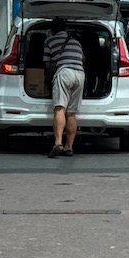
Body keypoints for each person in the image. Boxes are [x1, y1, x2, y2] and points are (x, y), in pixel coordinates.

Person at [43, 16, 85, 157]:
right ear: (65, 29)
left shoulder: (50, 41)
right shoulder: (76, 42)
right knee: (72, 113)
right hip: (80, 74)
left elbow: (48, 64)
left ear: (52, 30)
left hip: (64, 72)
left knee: (60, 108)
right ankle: (69, 147)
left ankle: (58, 143)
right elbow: (83, 60)